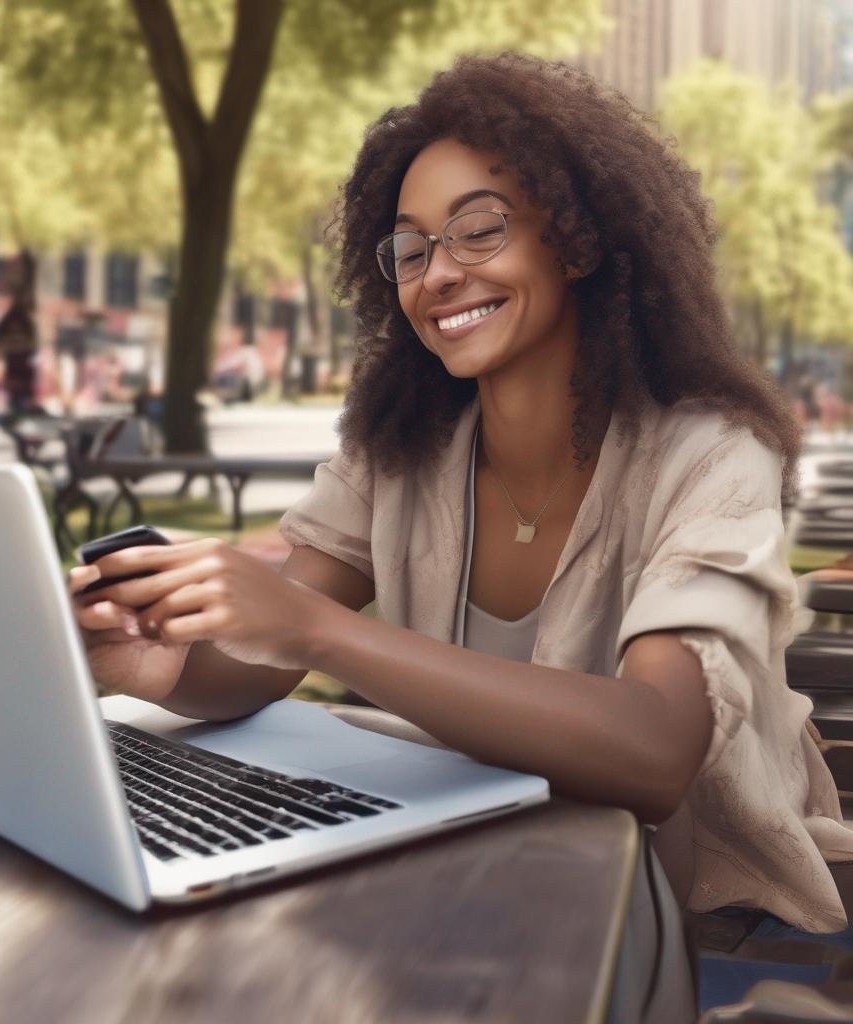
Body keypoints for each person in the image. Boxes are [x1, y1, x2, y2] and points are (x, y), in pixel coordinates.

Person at [68, 53, 853, 936]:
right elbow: (257, 668)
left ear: (581, 237)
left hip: (682, 900)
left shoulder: (710, 454)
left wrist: (321, 630)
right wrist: (162, 671)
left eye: (479, 230)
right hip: (475, 857)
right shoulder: (401, 449)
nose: (436, 273)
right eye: (410, 247)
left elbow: (655, 750)